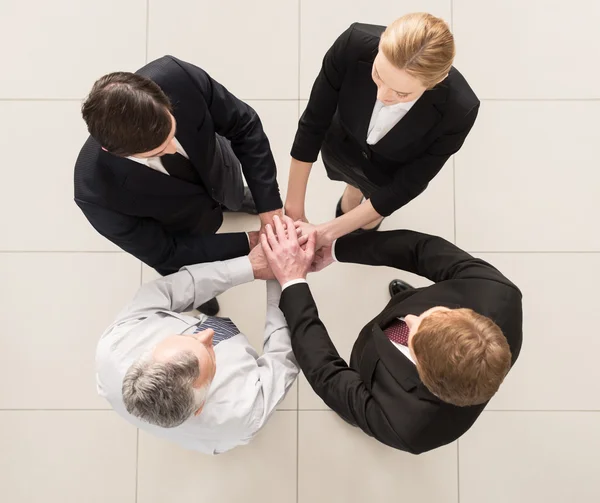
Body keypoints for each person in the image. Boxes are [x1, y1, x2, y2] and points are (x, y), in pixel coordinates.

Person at [261, 216, 522, 454]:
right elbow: (419, 249)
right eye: (434, 312)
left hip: (371, 374)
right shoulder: (499, 293)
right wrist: (337, 249)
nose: (409, 317)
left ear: (424, 372)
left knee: (350, 400)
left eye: (413, 335)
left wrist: (293, 282)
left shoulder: (405, 425)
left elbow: (326, 372)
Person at [74, 55, 283, 315]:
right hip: (182, 225)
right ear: (112, 151)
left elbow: (244, 126)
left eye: (172, 132)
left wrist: (270, 208)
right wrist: (250, 242)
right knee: (189, 274)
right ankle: (199, 289)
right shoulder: (94, 192)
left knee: (235, 194)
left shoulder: (176, 76)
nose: (173, 148)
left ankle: (238, 199)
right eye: (158, 150)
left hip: (219, 172)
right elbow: (165, 251)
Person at [285, 14, 479, 245]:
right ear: (380, 44)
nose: (382, 96)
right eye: (378, 75)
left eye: (401, 94)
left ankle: (360, 213)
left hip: (391, 169)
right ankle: (353, 189)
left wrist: (326, 233)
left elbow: (409, 183)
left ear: (436, 82)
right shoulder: (352, 44)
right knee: (351, 179)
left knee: (367, 220)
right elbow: (314, 121)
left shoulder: (459, 110)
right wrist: (293, 209)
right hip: (345, 141)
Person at [96, 242, 299, 455]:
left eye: (185, 337)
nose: (207, 332)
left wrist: (250, 266)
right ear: (200, 407)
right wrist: (284, 280)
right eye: (209, 354)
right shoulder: (243, 413)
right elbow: (281, 353)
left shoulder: (117, 341)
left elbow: (168, 291)